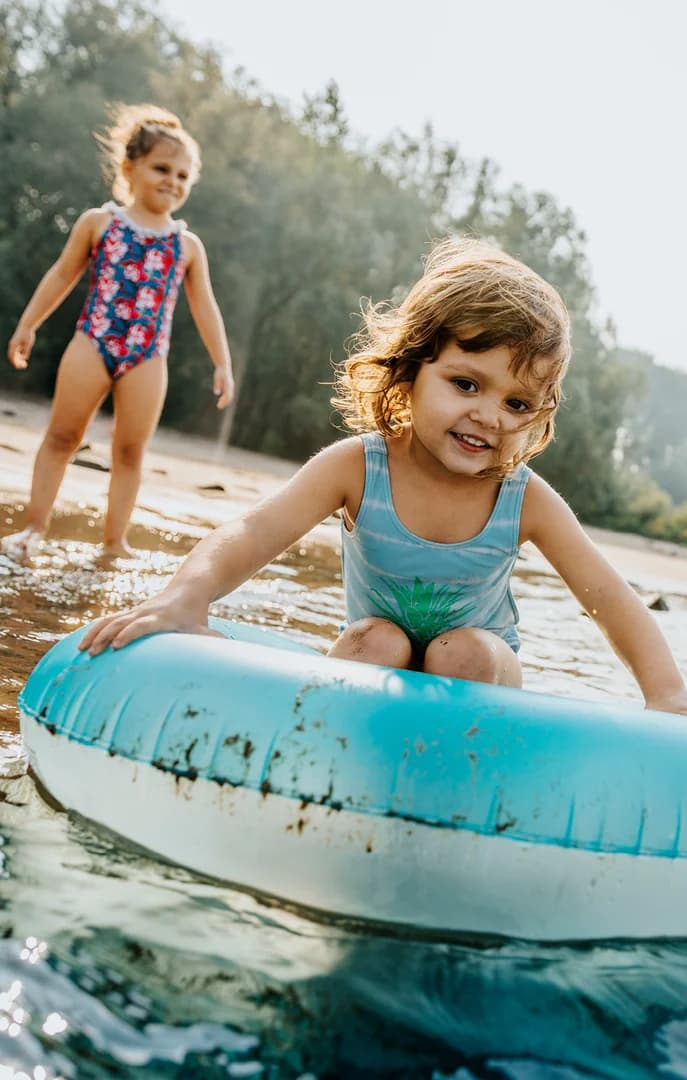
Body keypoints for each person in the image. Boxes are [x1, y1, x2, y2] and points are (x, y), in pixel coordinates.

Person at [80, 238, 687, 714]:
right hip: (376, 658)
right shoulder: (359, 467)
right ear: (411, 369)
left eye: (518, 404)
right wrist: (186, 598)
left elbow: (608, 597)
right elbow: (254, 531)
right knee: (378, 640)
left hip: (480, 677)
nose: (489, 416)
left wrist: (665, 693)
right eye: (466, 384)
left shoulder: (522, 498)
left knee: (463, 651)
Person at [4, 103, 234, 558]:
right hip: (93, 340)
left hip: (148, 355)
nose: (173, 181)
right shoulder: (99, 223)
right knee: (62, 438)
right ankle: (34, 526)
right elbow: (60, 276)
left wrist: (222, 362)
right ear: (130, 168)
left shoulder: (186, 245)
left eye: (184, 176)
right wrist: (28, 324)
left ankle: (114, 543)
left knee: (130, 453)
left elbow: (205, 307)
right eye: (162, 168)